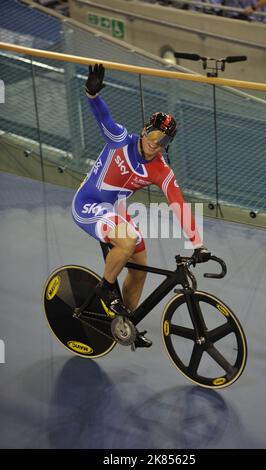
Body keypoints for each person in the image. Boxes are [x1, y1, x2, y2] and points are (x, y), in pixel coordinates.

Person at [72, 64, 210, 348]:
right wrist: (92, 94)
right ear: (145, 130)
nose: (157, 144)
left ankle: (125, 323)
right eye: (155, 136)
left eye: (165, 141)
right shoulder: (120, 138)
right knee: (127, 239)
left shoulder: (160, 170)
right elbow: (103, 116)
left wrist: (198, 244)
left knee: (139, 269)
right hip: (87, 205)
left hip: (114, 212)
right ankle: (107, 289)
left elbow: (179, 204)